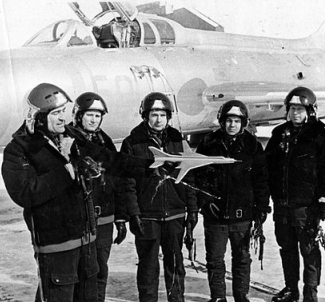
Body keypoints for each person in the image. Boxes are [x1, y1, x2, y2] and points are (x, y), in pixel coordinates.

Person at [1, 83, 151, 302]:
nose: (63, 118)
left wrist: (152, 166)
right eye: (56, 113)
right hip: (56, 248)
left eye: (64, 112)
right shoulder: (20, 149)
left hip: (87, 242)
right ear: (40, 117)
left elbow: (109, 159)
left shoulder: (72, 138)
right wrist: (67, 171)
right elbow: (24, 193)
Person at [120, 92, 199, 302]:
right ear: (145, 116)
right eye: (154, 114)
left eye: (162, 114)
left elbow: (189, 177)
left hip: (174, 214)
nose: (158, 119)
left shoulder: (177, 140)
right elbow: (128, 183)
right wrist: (134, 213)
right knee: (148, 266)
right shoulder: (133, 143)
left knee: (175, 265)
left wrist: (192, 210)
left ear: (168, 116)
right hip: (148, 217)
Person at [265, 87, 325, 302]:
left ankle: (310, 293)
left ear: (310, 111)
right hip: (282, 205)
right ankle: (290, 289)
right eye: (292, 109)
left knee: (309, 250)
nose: (296, 113)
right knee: (286, 248)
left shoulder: (322, 138)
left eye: (300, 109)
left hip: (307, 207)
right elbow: (266, 166)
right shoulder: (279, 134)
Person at [194, 100, 270, 302]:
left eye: (236, 121)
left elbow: (261, 180)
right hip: (215, 214)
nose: (232, 125)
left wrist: (261, 208)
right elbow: (198, 176)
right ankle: (218, 296)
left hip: (242, 215)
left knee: (242, 259)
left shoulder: (252, 146)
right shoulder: (208, 143)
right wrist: (204, 201)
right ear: (222, 121)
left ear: (243, 122)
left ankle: (240, 295)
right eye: (228, 120)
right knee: (215, 259)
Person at [71, 92, 127, 302]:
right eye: (89, 115)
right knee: (77, 272)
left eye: (97, 116)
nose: (94, 120)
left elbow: (118, 181)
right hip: (80, 221)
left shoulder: (106, 142)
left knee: (100, 270)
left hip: (104, 219)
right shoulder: (70, 143)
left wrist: (121, 218)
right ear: (79, 116)